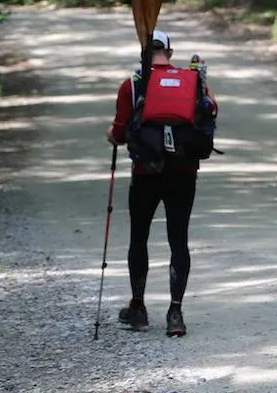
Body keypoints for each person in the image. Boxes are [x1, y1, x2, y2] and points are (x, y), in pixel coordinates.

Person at [106, 29, 218, 338]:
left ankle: (138, 308)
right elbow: (211, 112)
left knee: (138, 238)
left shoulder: (131, 84)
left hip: (145, 172)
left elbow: (119, 131)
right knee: (178, 239)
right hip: (183, 172)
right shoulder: (192, 81)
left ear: (144, 51)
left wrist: (111, 135)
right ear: (169, 53)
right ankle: (175, 312)